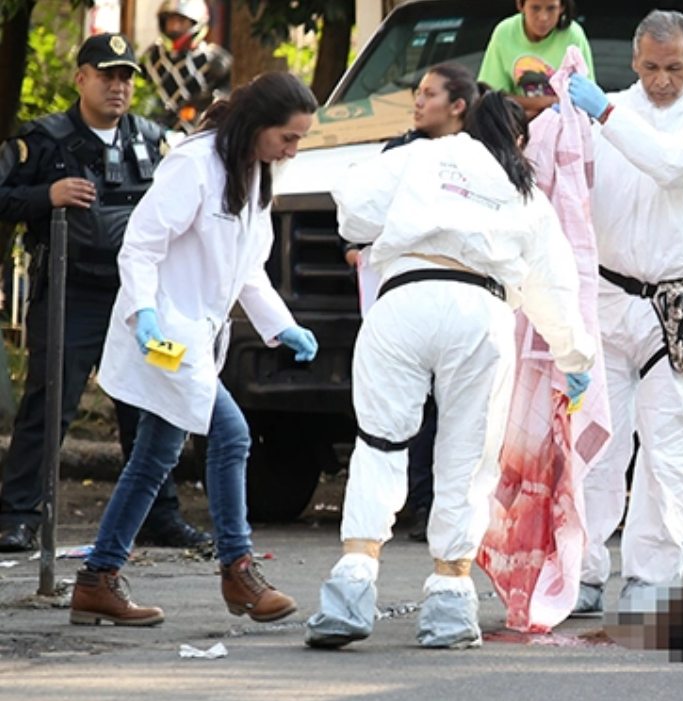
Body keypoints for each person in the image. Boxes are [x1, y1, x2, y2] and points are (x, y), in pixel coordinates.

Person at [304, 90, 594, 650]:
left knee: (380, 443)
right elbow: (554, 288)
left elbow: (354, 204)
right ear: (517, 139)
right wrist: (574, 356)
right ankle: (449, 600)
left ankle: (352, 582)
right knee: (467, 457)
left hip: (402, 302)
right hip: (479, 314)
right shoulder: (525, 192)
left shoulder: (423, 154)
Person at [68, 71, 320, 627]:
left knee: (155, 454)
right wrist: (145, 313)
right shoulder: (195, 163)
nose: (293, 150)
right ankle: (238, 569)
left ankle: (97, 579)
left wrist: (283, 327)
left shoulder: (256, 172)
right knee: (229, 435)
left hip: (193, 340)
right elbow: (140, 246)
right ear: (259, 126)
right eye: (289, 138)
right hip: (161, 336)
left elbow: (248, 270)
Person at [0, 33, 209, 554]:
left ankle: (159, 516)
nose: (118, 86)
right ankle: (19, 516)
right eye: (106, 74)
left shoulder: (159, 141)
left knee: (149, 405)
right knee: (49, 406)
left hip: (141, 303)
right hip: (72, 294)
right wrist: (42, 196)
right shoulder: (43, 141)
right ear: (81, 78)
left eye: (126, 77)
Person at [564, 10, 683, 614]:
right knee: (595, 445)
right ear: (634, 62)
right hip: (609, 297)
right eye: (650, 67)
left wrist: (605, 115)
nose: (662, 80)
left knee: (667, 445)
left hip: (678, 301)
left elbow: (674, 165)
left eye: (674, 67)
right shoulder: (606, 108)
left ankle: (651, 577)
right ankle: (580, 572)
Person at [342, 63, 480, 542]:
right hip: (402, 300)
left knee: (460, 418)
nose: (418, 102)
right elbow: (358, 215)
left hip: (467, 304)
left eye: (429, 94)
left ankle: (441, 515)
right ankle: (405, 507)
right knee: (399, 413)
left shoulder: (480, 158)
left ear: (458, 105)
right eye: (416, 93)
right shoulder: (399, 152)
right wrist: (356, 247)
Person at [478, 0, 594, 119]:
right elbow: (491, 99)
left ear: (562, 7)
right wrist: (550, 102)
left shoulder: (574, 36)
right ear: (520, 5)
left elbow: (585, 99)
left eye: (551, 9)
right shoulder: (504, 33)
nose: (543, 17)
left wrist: (527, 108)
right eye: (535, 8)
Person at [140, 0, 232, 133]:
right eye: (170, 21)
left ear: (196, 24)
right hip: (154, 130)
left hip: (196, 134)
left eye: (181, 21)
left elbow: (223, 99)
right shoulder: (151, 56)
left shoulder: (214, 59)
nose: (175, 27)